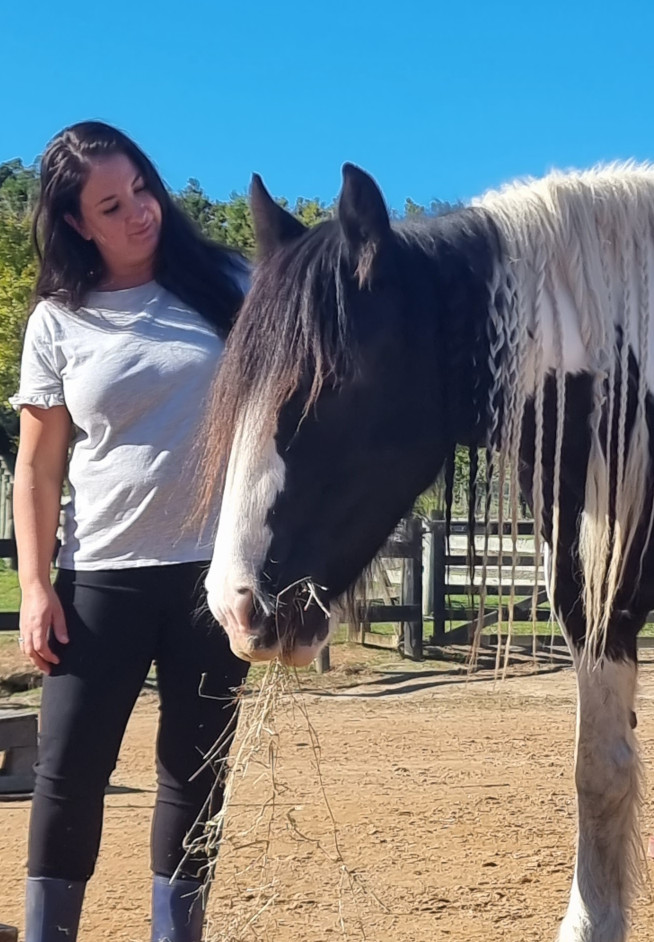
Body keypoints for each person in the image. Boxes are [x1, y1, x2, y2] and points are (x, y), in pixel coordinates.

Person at [11, 121, 250, 942]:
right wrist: (36, 586)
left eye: (142, 188)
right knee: (69, 775)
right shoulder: (57, 321)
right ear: (78, 222)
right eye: (111, 205)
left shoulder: (230, 283)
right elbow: (38, 468)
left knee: (195, 775)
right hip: (99, 574)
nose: (140, 212)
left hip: (212, 577)